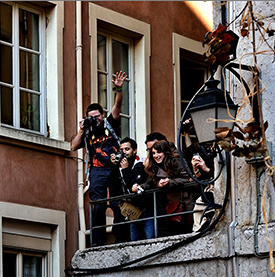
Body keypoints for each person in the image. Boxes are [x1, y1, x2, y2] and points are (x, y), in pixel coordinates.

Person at [70, 70, 129, 246]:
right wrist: (82, 129)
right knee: (98, 205)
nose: (94, 120)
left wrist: (118, 90)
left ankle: (121, 237)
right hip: (97, 170)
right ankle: (98, 241)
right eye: (91, 117)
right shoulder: (87, 131)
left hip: (114, 167)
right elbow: (73, 146)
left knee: (118, 202)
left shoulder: (109, 123)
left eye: (96, 117)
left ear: (102, 115)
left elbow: (118, 106)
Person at [143, 140, 194, 238]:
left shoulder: (177, 161)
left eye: (159, 152)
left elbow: (189, 179)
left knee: (183, 231)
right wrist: (143, 186)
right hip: (165, 204)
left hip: (182, 201)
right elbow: (151, 182)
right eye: (153, 153)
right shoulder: (153, 166)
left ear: (165, 152)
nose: (156, 155)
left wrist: (169, 182)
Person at [118, 137, 155, 241]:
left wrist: (125, 170)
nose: (124, 152)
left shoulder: (140, 164)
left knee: (150, 238)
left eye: (127, 149)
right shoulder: (121, 165)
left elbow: (133, 185)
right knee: (134, 239)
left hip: (145, 207)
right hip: (132, 208)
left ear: (134, 150)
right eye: (121, 150)